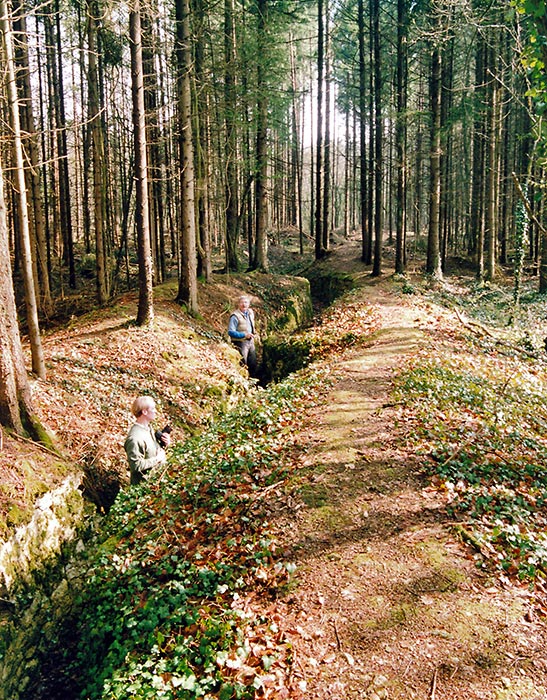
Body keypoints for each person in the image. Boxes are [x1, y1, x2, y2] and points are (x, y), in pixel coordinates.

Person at [124, 396, 171, 485]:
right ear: (144, 412)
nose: (155, 411)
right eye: (153, 409)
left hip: (156, 482)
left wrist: (165, 443)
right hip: (143, 488)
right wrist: (157, 459)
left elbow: (152, 451)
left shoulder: (148, 428)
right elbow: (136, 466)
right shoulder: (134, 438)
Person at [228, 294, 257, 375]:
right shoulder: (235, 316)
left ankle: (254, 383)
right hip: (240, 342)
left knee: (253, 364)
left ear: (249, 304)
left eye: (246, 302)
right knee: (243, 364)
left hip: (250, 341)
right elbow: (230, 332)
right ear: (238, 304)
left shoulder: (250, 313)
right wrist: (243, 335)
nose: (244, 304)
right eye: (242, 302)